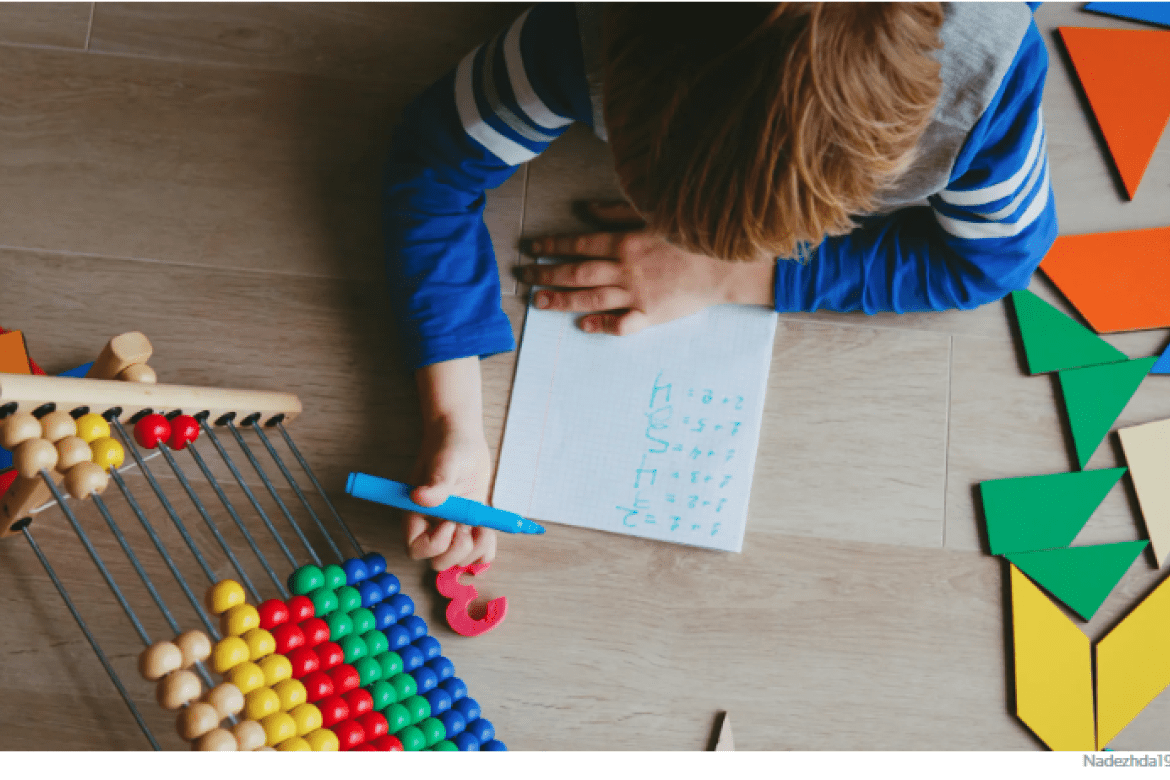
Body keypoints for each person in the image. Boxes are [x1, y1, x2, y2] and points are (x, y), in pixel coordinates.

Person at [383, 3, 1057, 569]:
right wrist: (454, 421)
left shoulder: (986, 87)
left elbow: (989, 264)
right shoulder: (581, 30)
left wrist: (728, 276)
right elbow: (434, 164)